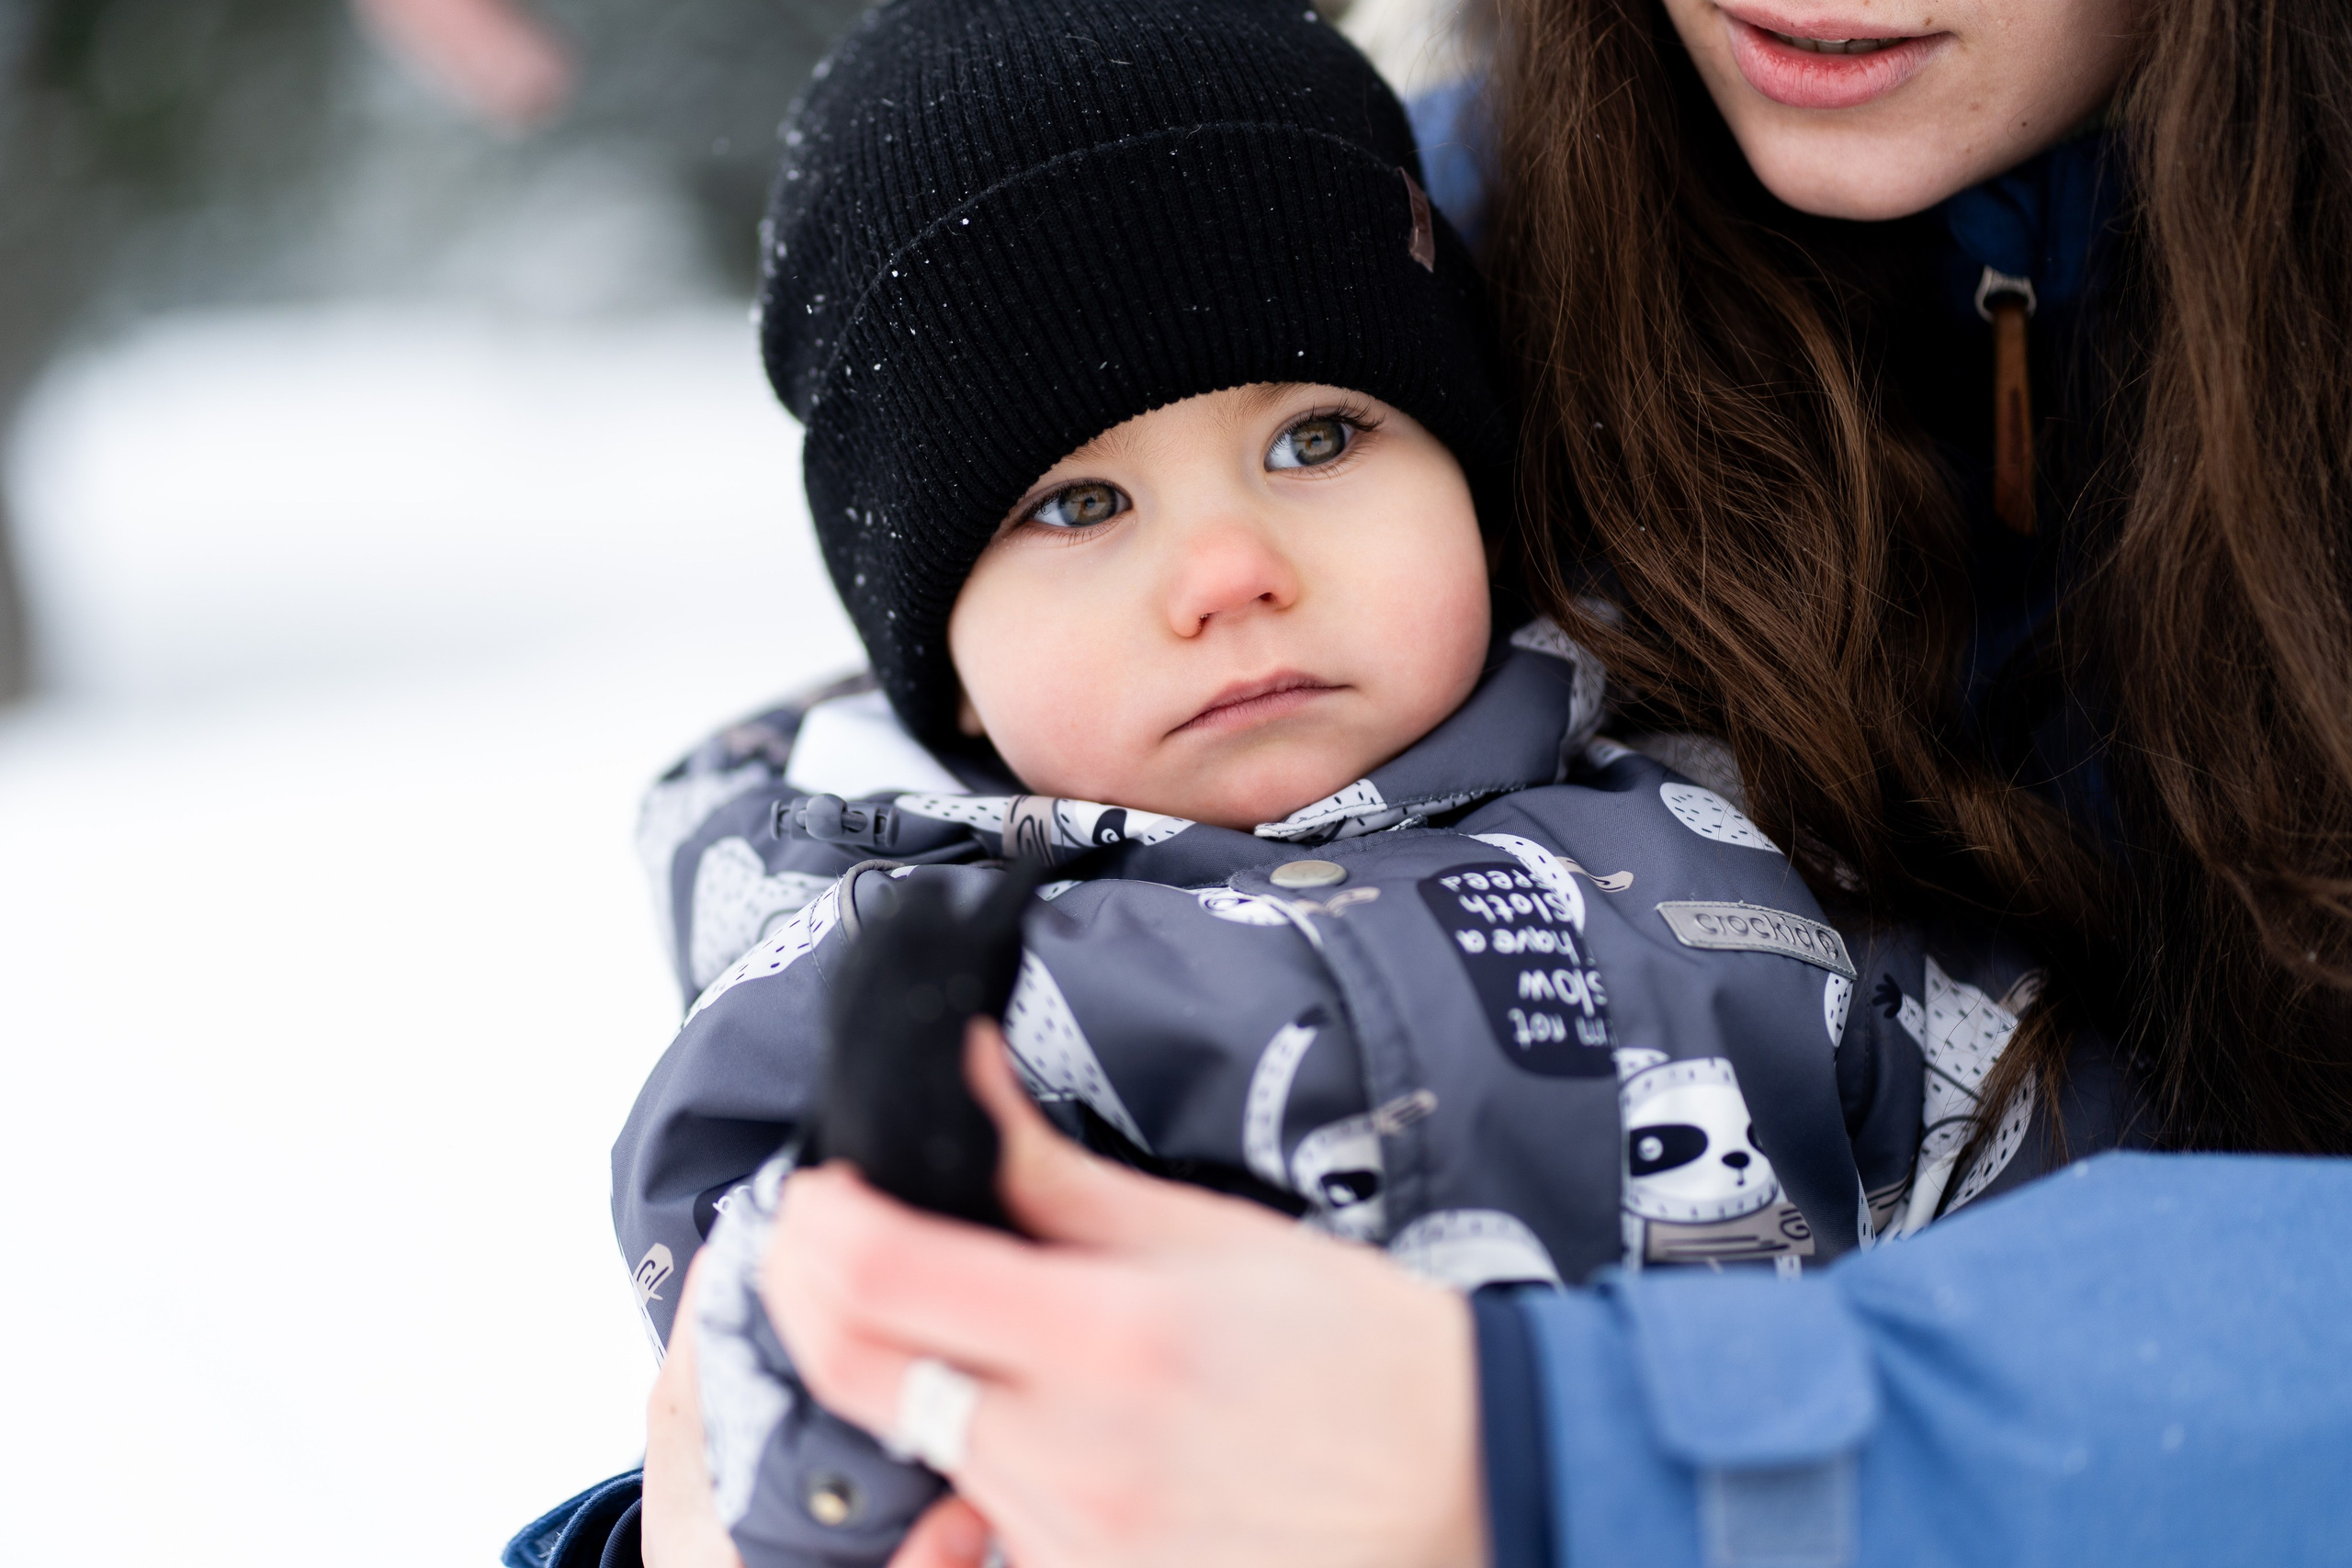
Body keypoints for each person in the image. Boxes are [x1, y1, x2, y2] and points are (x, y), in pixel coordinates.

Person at [511, 0, 2352, 1562]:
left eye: (1315, 442)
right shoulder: (1434, 223)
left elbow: (2014, 1146)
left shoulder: (1673, 821)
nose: (1225, 568)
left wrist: (1572, 1446)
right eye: (1082, 504)